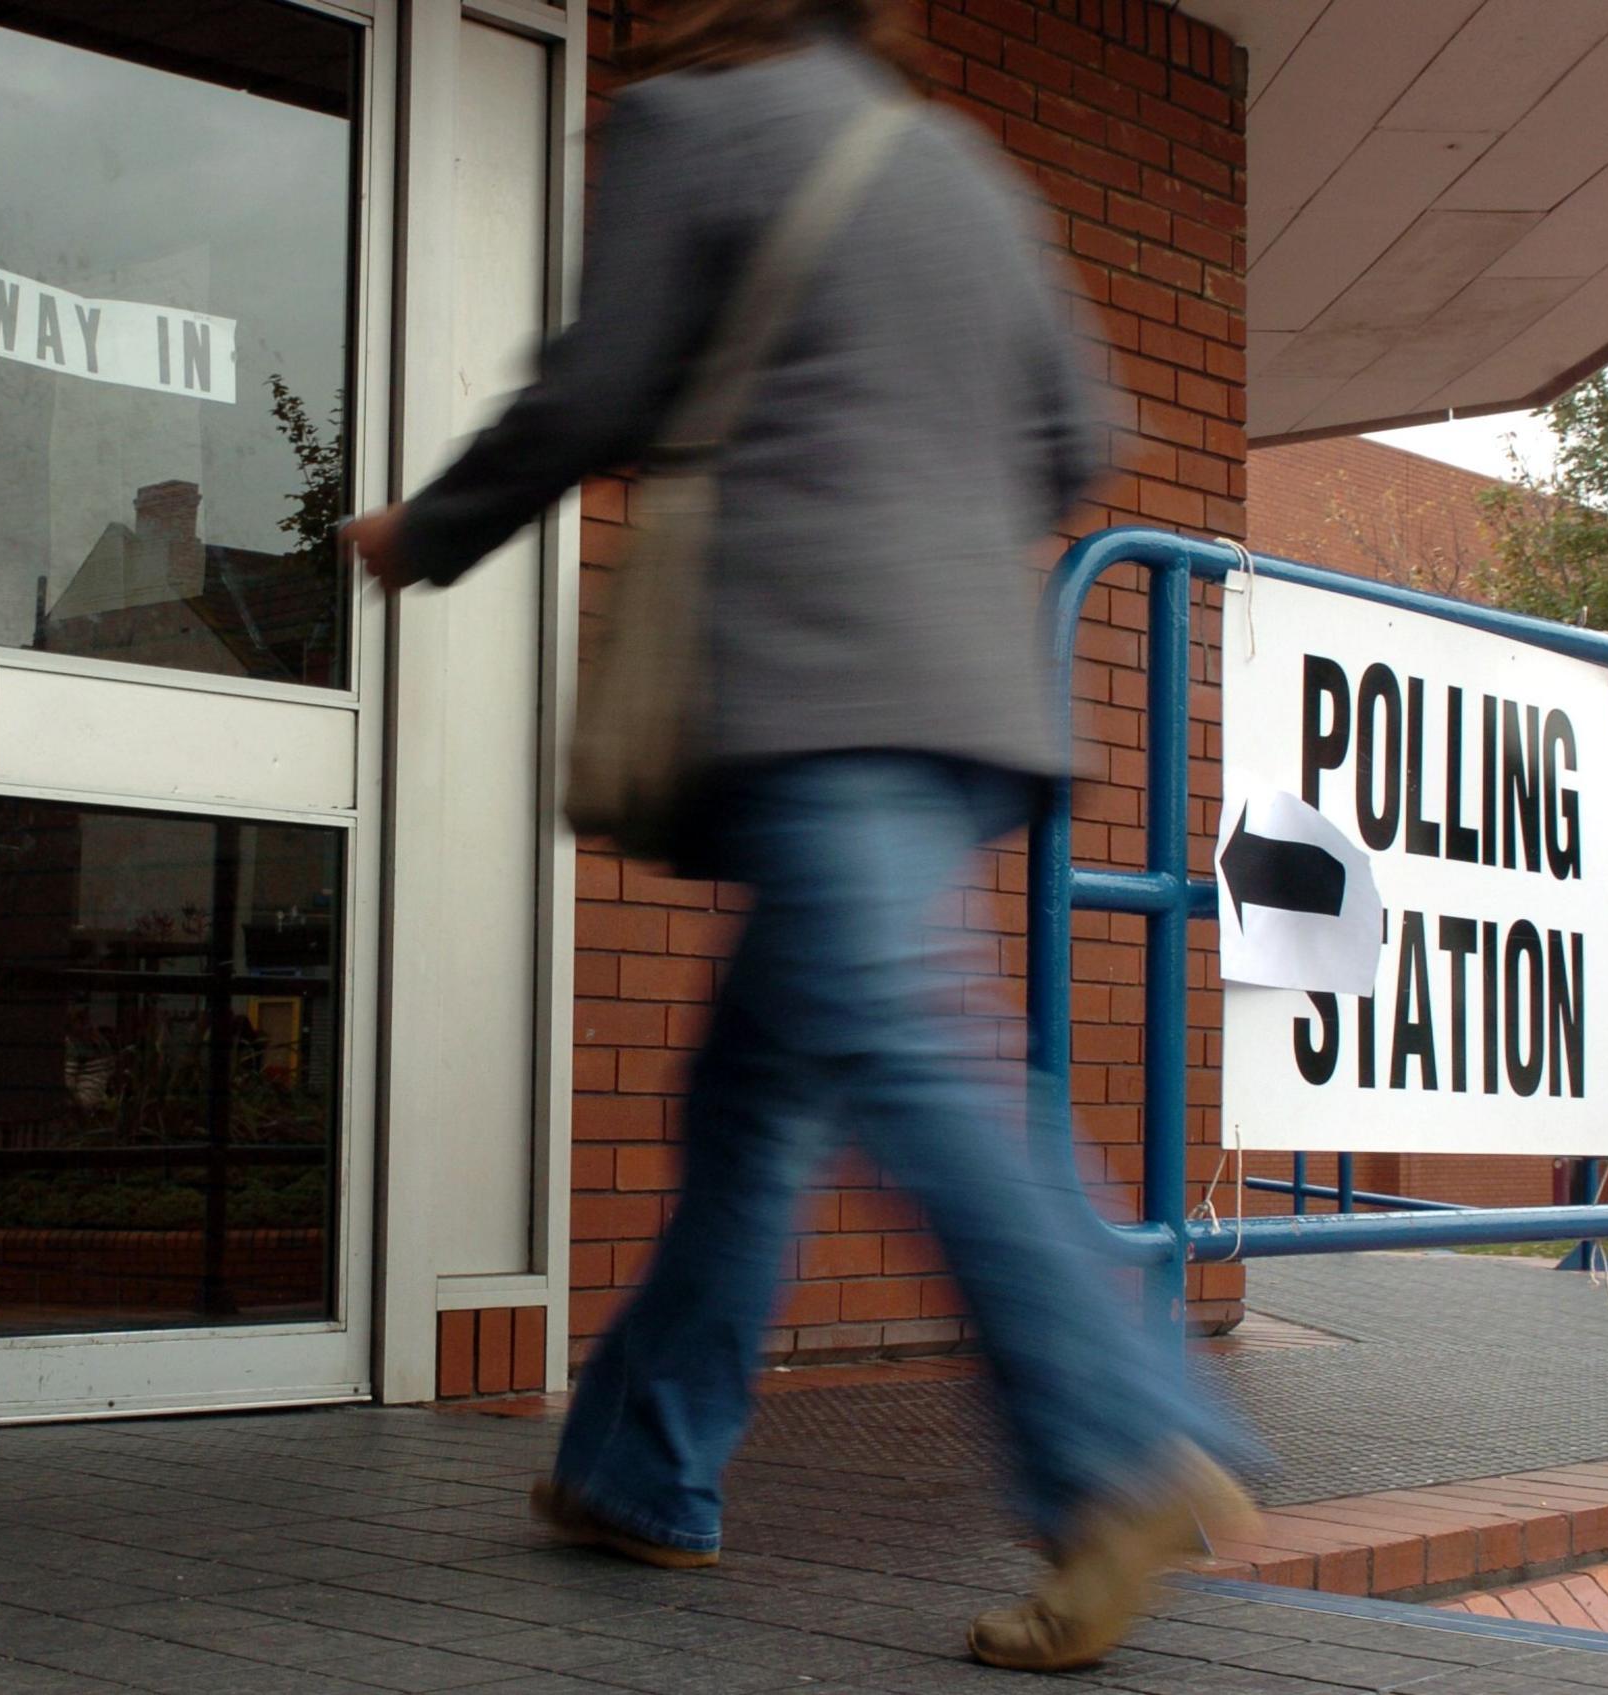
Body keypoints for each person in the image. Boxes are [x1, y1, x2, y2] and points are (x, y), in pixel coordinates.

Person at [341, 0, 1263, 1674]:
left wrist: (435, 527)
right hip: (972, 694)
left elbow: (597, 384)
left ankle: (1110, 1449)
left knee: (912, 1060)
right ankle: (639, 1469)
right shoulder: (966, 165)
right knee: (757, 1096)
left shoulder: (694, 129)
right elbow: (1081, 435)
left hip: (815, 682)